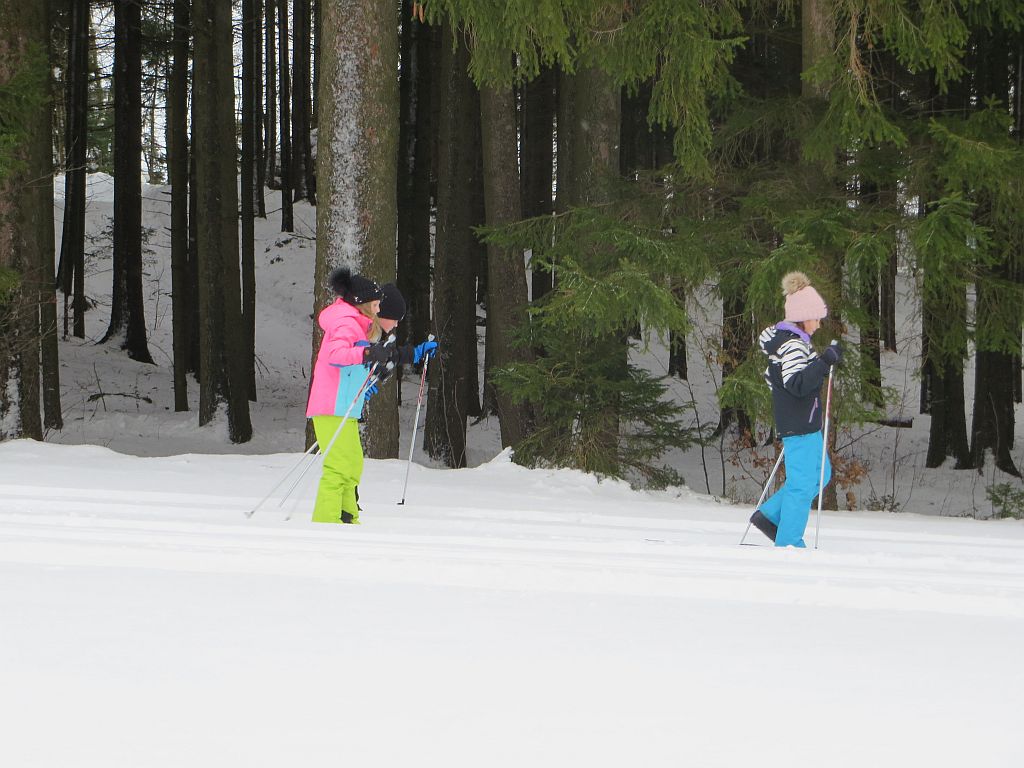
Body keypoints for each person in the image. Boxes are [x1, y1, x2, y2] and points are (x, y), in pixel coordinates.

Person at [749, 271, 842, 547]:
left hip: (805, 422)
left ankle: (770, 516)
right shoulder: (792, 346)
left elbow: (776, 379)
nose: (819, 324)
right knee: (802, 484)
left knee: (821, 474)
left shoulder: (793, 343)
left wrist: (821, 362)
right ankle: (789, 542)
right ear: (803, 317)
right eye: (816, 318)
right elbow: (796, 384)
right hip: (799, 424)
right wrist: (824, 362)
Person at [305, 267, 384, 524]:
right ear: (362, 303)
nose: (378, 310)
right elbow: (336, 355)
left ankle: (347, 516)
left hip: (345, 406)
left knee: (352, 463)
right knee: (338, 465)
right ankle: (327, 520)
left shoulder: (356, 324)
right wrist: (367, 354)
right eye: (375, 305)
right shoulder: (346, 322)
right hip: (332, 405)